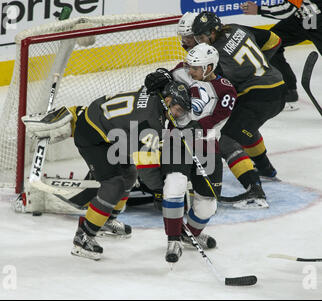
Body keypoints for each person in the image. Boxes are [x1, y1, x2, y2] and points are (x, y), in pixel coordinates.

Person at [22, 81, 192, 261]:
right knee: (114, 184)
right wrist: (162, 191)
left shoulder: (154, 92)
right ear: (167, 101)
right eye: (178, 110)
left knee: (129, 174)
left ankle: (106, 221)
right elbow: (147, 173)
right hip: (93, 134)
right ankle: (83, 237)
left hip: (107, 127)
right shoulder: (149, 122)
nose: (179, 115)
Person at [191, 11, 286, 207]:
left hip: (259, 96)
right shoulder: (235, 28)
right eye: (197, 37)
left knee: (226, 141)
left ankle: (254, 190)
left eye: (202, 37)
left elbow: (218, 84)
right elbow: (274, 40)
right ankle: (266, 170)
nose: (200, 41)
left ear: (213, 32)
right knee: (243, 126)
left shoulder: (216, 54)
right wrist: (260, 64)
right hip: (277, 85)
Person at [143, 76, 221, 263]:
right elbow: (162, 78)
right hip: (175, 144)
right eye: (176, 109)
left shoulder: (221, 90)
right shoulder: (176, 82)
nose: (177, 114)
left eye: (181, 111)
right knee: (174, 185)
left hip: (207, 145)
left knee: (208, 206)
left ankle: (188, 234)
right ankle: (173, 240)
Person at [241, 0, 322, 111]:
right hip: (303, 18)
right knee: (271, 43)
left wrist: (259, 9)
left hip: (317, 19)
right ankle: (289, 91)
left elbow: (287, 10)